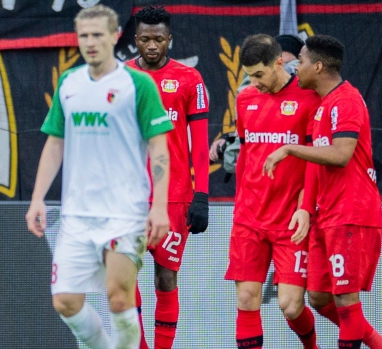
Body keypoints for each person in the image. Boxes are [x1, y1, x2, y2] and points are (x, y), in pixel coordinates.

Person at [25, 5, 172, 349]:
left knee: (119, 299)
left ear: (115, 35)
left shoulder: (138, 84)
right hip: (77, 214)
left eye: (97, 35)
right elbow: (55, 143)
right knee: (65, 302)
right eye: (84, 36)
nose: (90, 42)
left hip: (125, 211)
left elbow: (159, 150)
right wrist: (37, 199)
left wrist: (160, 206)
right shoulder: (69, 83)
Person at [264, 34, 382, 349]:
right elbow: (318, 162)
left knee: (345, 297)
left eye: (300, 62)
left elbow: (341, 155)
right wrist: (306, 207)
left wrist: (290, 149)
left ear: (317, 66)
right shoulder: (322, 105)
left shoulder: (346, 101)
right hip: (325, 215)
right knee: (318, 297)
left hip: (352, 212)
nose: (295, 69)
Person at [223, 34, 323, 349]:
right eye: (249, 75)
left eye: (259, 75)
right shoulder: (245, 99)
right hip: (249, 216)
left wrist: (305, 206)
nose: (254, 82)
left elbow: (315, 162)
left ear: (279, 62)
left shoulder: (308, 98)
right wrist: (241, 203)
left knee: (290, 305)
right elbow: (246, 154)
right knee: (247, 297)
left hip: (289, 219)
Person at [124, 6, 209, 349]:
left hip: (172, 196)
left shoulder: (190, 80)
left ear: (169, 39)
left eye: (159, 38)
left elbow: (200, 143)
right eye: (145, 38)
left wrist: (201, 196)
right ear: (136, 40)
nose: (153, 45)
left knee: (165, 277)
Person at [209, 34, 305, 164]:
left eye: (292, 65)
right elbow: (247, 142)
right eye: (251, 76)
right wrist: (231, 139)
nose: (254, 83)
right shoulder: (247, 97)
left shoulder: (310, 96)